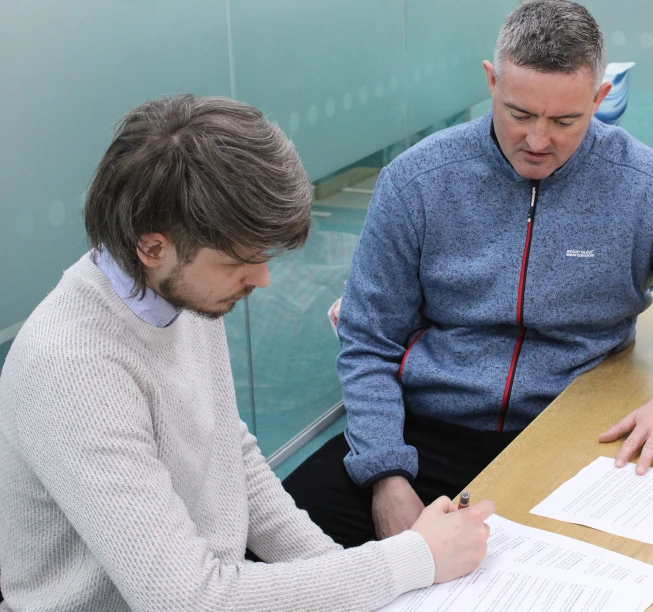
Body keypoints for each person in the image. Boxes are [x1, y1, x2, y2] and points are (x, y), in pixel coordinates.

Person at [283, 0, 653, 549]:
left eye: (565, 121)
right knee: (269, 548)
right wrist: (385, 475)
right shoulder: (415, 182)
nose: (537, 140)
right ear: (491, 81)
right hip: (423, 431)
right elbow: (367, 341)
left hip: (572, 436)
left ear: (600, 98)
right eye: (520, 114)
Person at [0, 95, 495, 612]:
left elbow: (232, 461)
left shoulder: (178, 294)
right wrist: (410, 560)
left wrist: (359, 582)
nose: (261, 278)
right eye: (240, 259)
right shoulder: (71, 368)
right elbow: (188, 600)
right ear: (152, 248)